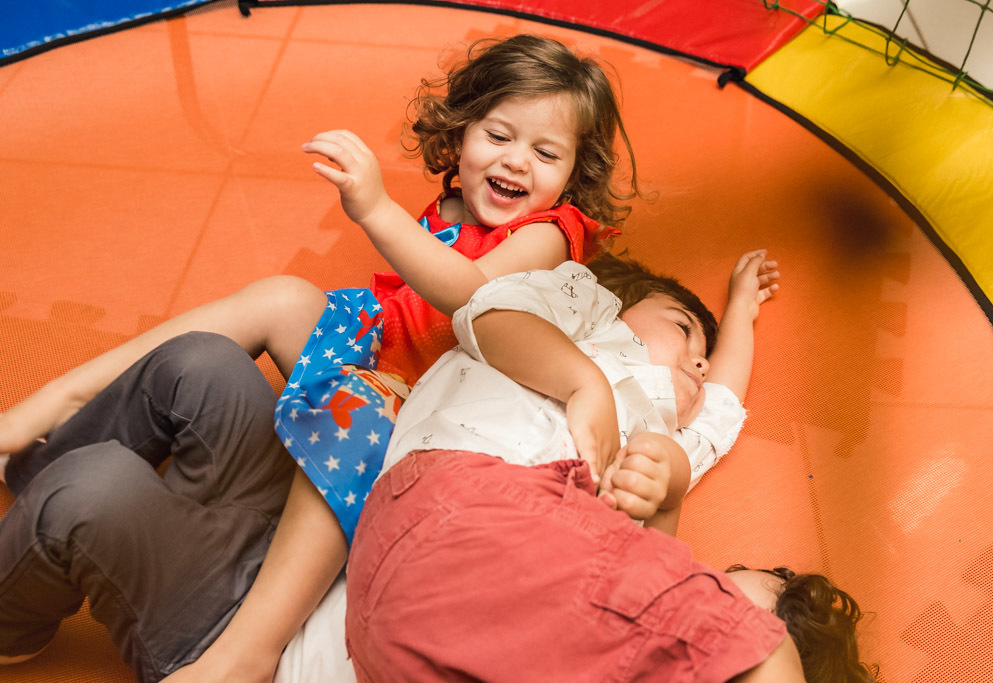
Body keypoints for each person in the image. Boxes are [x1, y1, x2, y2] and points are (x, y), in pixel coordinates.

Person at [0, 33, 639, 680]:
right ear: (461, 130)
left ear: (572, 175)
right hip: (379, 356)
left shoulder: (550, 235)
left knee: (363, 407)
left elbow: (471, 294)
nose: (518, 161)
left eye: (546, 152)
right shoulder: (456, 201)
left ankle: (248, 649)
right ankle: (53, 413)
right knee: (283, 297)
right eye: (499, 136)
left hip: (417, 418)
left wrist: (374, 210)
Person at [339, 255, 878, 680]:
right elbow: (486, 312)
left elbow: (721, 402)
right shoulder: (591, 320)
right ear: (620, 304)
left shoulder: (660, 445)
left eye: (705, 356)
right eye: (683, 328)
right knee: (761, 653)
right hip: (457, 506)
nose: (699, 360)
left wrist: (742, 310)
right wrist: (584, 382)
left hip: (438, 639)